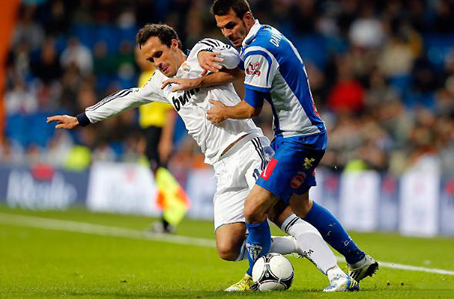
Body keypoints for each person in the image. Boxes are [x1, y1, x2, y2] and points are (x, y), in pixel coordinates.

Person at [47, 23, 353, 292]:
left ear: (175, 44)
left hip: (248, 147)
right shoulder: (160, 83)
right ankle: (301, 247)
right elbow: (128, 98)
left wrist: (216, 60)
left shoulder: (203, 51)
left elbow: (238, 61)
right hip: (221, 166)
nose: (157, 63)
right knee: (228, 247)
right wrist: (82, 118)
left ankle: (336, 274)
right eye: (150, 59)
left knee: (280, 215)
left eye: (159, 54)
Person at [163, 0, 378, 292]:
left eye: (232, 26)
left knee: (253, 209)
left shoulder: (258, 51)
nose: (228, 33)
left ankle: (330, 277)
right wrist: (201, 70)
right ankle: (356, 259)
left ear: (247, 17)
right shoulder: (268, 35)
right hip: (301, 134)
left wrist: (223, 111)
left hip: (297, 140)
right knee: (301, 206)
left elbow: (251, 108)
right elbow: (234, 65)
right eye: (222, 28)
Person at [135, 47, 182, 234]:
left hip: (159, 131)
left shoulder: (160, 77)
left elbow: (170, 110)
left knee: (161, 175)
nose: (139, 59)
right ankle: (165, 220)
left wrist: (166, 139)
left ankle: (168, 219)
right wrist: (143, 139)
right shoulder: (143, 76)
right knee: (159, 177)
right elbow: (145, 111)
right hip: (149, 132)